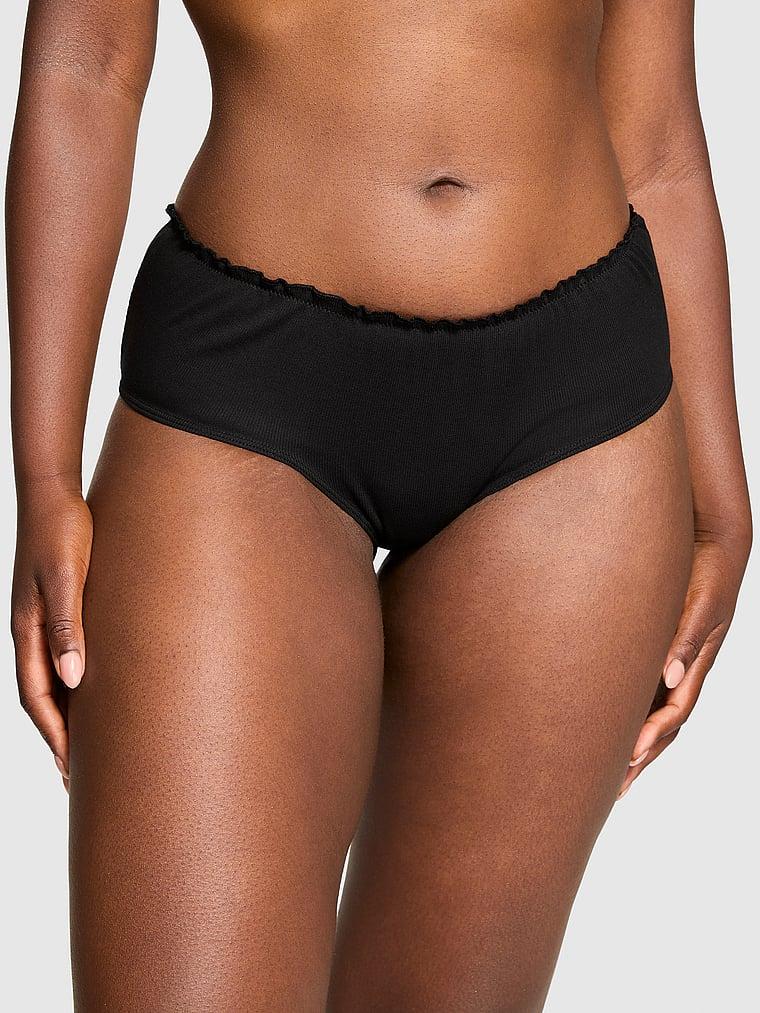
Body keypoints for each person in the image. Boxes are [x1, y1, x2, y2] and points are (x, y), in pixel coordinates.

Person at [7, 1, 751, 1009]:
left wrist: (721, 490)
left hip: (575, 415)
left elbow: (655, 138)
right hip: (245, 388)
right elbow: (86, 67)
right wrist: (44, 473)